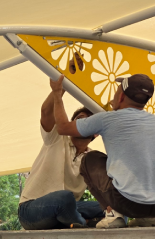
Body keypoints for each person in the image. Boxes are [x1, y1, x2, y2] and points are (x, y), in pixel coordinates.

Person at [18, 83, 135, 239]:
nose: (82, 124)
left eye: (88, 122)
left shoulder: (92, 159)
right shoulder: (57, 139)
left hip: (66, 213)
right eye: (78, 119)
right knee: (64, 198)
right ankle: (81, 224)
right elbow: (46, 112)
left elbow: (110, 188)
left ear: (94, 133)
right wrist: (58, 90)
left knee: (118, 210)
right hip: (33, 209)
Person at [51, 73, 155, 230]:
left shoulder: (107, 119)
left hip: (126, 203)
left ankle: (114, 215)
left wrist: (57, 94)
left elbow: (63, 127)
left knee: (90, 159)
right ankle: (148, 219)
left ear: (120, 97)